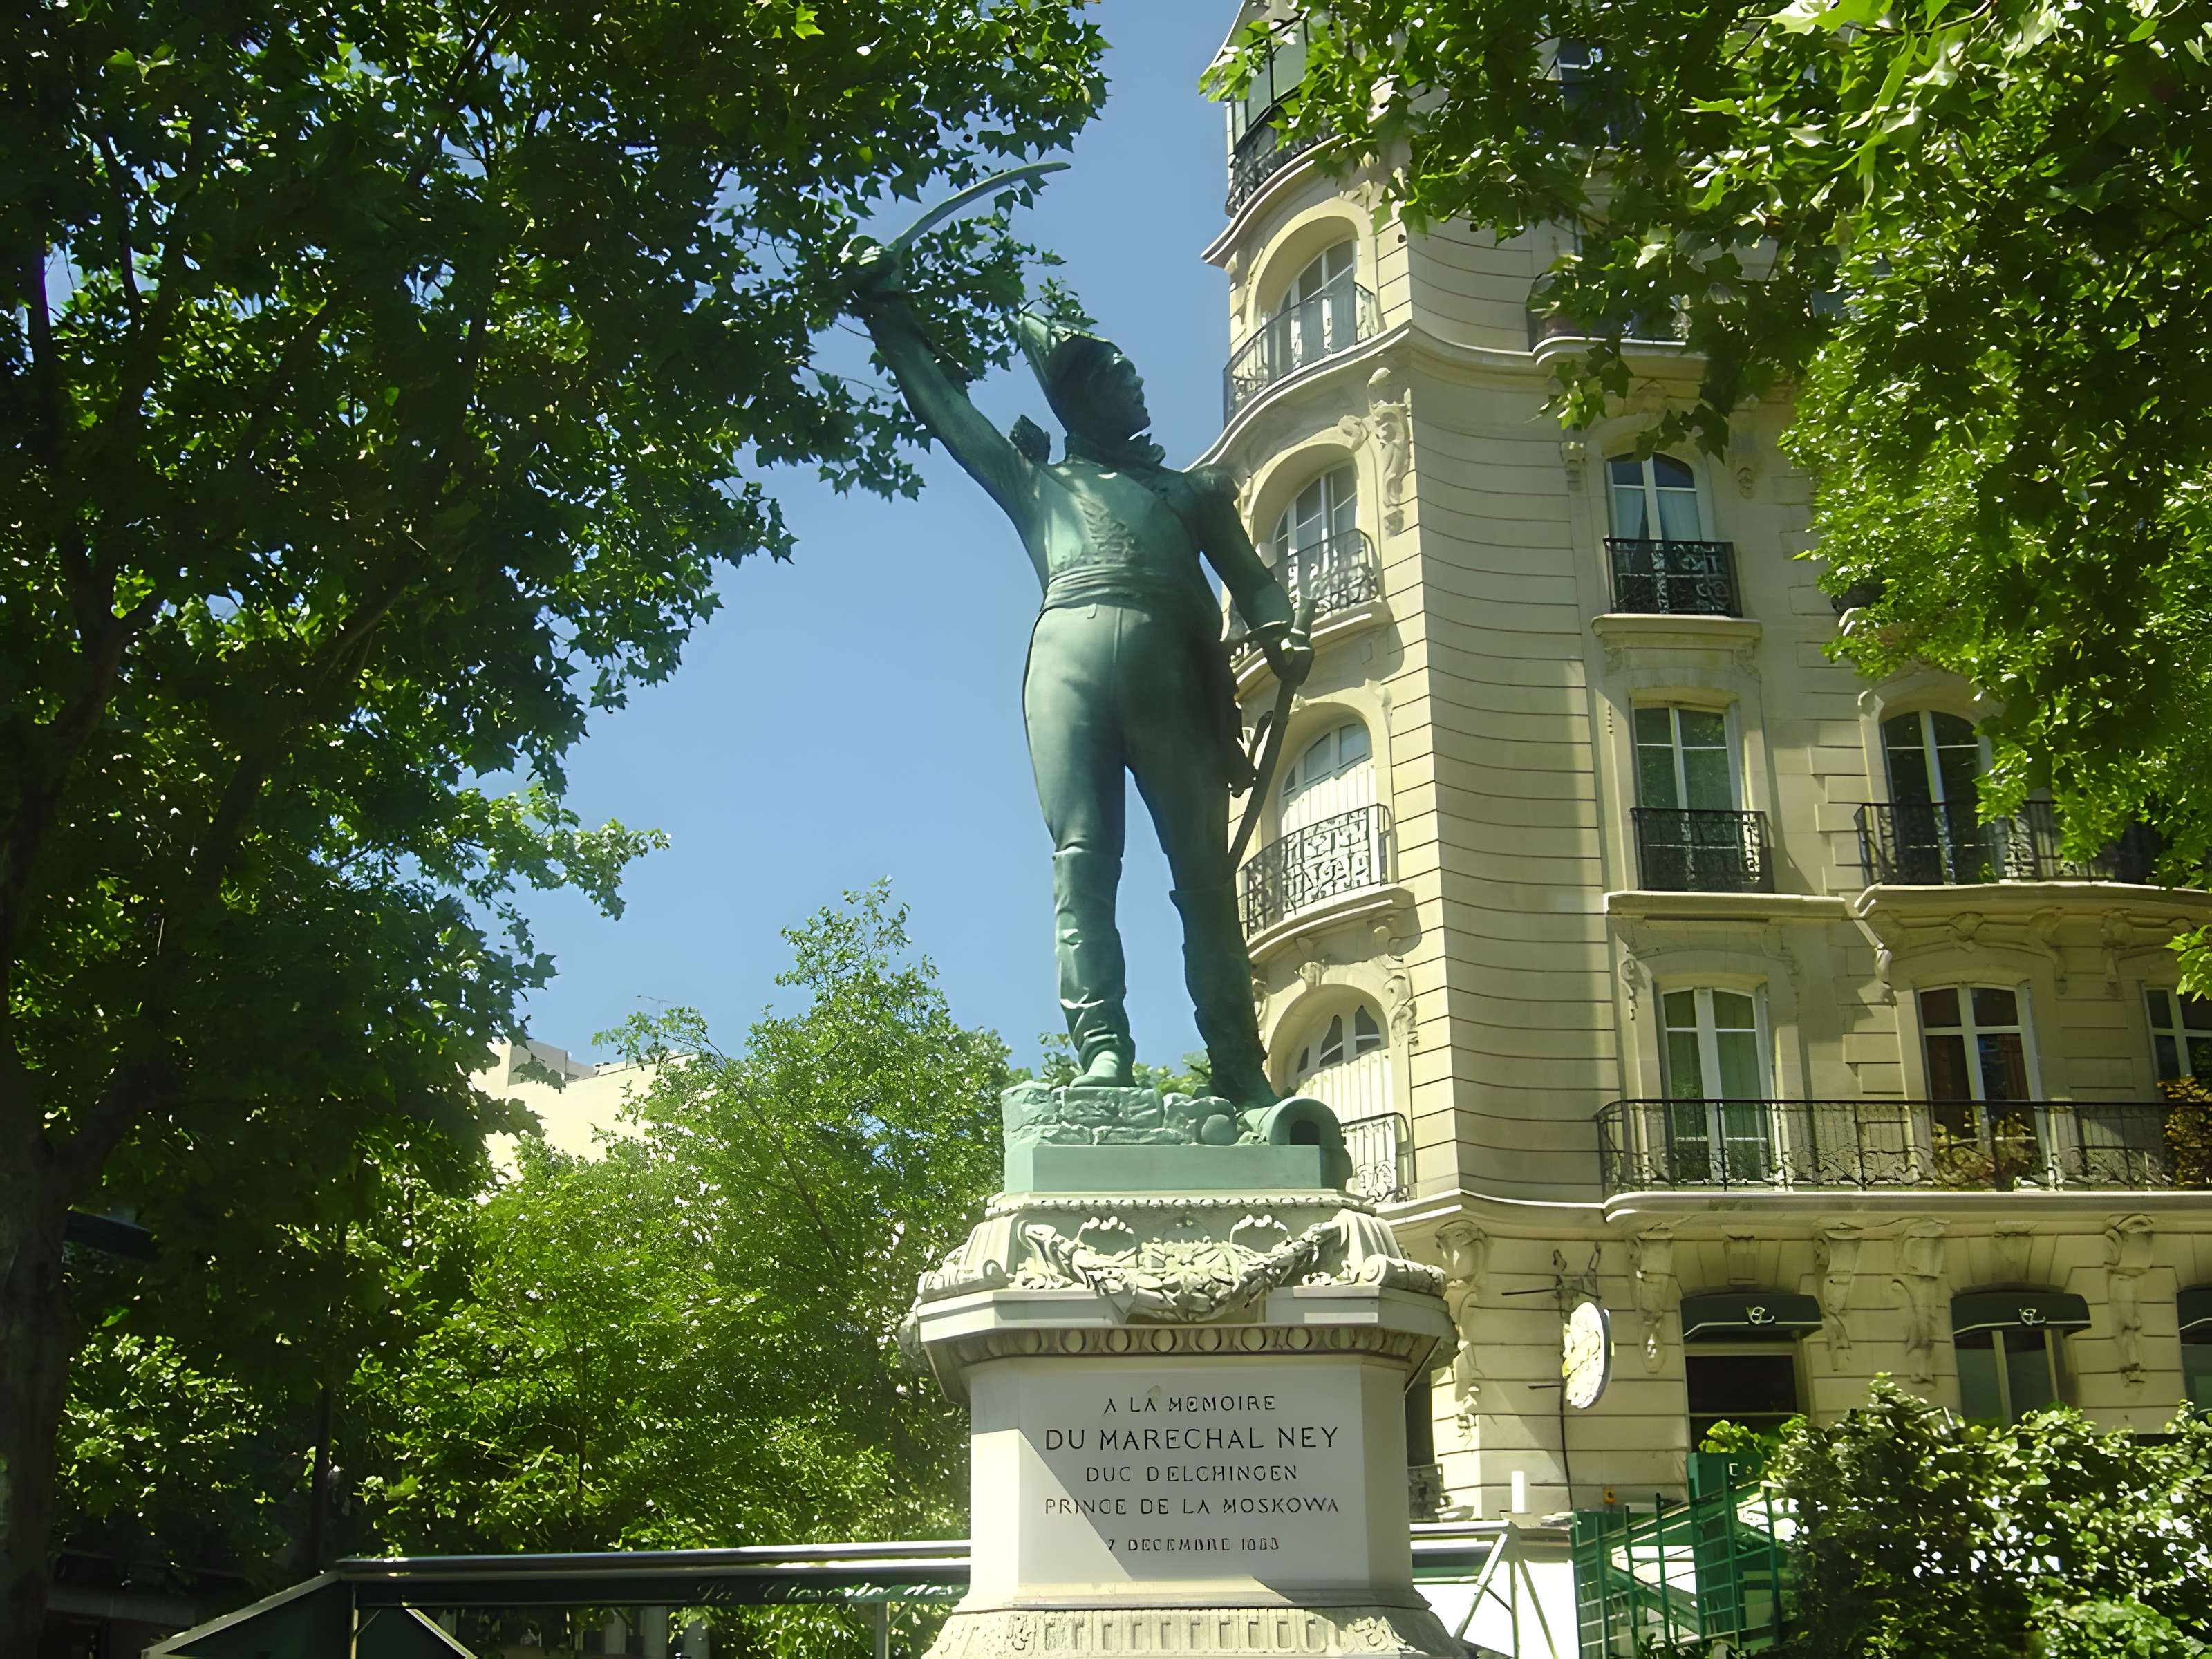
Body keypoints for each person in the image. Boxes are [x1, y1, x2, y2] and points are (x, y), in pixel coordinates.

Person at [845, 245, 1311, 1107]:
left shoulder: (1192, 492)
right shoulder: (1035, 484)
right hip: (1064, 671)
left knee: (1203, 879)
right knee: (1081, 865)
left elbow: (1251, 581)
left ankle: (1239, 1068)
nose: (1135, 388)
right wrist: (886, 312)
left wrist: (1279, 630)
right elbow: (949, 411)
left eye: (1133, 375)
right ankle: (1103, 1049)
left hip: (1175, 677)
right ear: (1079, 398)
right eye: (1115, 378)